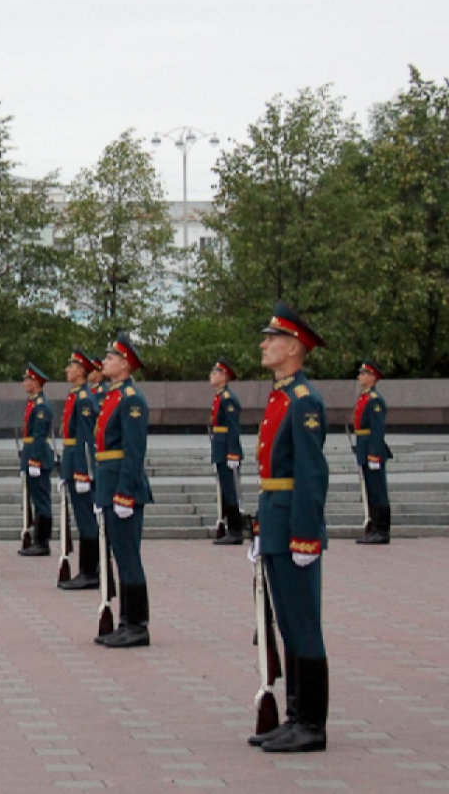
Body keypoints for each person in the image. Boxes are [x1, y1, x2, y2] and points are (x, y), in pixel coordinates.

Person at [249, 300, 331, 753]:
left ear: (294, 348)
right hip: (276, 521)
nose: (264, 345)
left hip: (294, 526)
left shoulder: (304, 402)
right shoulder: (280, 396)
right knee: (287, 623)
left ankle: (312, 724)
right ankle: (295, 715)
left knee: (303, 624)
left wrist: (305, 535)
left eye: (272, 339)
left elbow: (311, 474)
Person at [93, 333, 154, 648]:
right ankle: (125, 620)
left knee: (129, 557)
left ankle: (137, 624)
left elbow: (133, 450)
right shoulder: (113, 396)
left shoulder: (131, 399)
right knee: (120, 556)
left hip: (123, 486)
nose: (106, 361)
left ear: (126, 364)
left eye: (112, 357)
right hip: (110, 482)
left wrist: (124, 493)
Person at [58, 351, 101, 590]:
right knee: (82, 519)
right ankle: (87, 570)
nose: (67, 370)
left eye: (71, 366)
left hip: (80, 466)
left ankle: (89, 571)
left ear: (81, 371)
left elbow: (85, 439)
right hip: (73, 463)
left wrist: (83, 473)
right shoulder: (76, 396)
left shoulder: (84, 399)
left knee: (87, 521)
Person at [353, 359, 393, 544]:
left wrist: (374, 453)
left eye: (363, 374)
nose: (360, 376)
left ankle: (382, 530)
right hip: (365, 446)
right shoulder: (364, 397)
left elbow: (377, 430)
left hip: (372, 449)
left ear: (372, 377)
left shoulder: (374, 400)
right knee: (371, 490)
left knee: (378, 491)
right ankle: (374, 527)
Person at [18, 363, 55, 557]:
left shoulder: (41, 405)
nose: (24, 383)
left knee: (42, 501)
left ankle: (42, 542)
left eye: (27, 379)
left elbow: (40, 435)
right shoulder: (32, 402)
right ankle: (37, 539)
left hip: (37, 456)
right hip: (31, 452)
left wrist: (34, 460)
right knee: (35, 499)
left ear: (36, 382)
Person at [209, 358, 245, 546]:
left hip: (227, 450)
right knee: (225, 489)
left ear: (224, 376)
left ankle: (236, 530)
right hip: (220, 447)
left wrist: (232, 453)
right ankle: (229, 527)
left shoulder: (228, 399)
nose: (211, 376)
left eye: (215, 373)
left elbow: (233, 427)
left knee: (231, 491)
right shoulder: (219, 397)